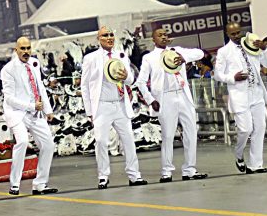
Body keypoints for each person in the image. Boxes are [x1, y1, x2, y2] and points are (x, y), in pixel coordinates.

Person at [81, 26, 148, 189]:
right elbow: (85, 86)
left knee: (129, 140)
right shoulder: (91, 58)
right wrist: (89, 111)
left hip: (120, 104)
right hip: (101, 106)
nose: (109, 38)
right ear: (99, 39)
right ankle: (103, 176)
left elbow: (131, 80)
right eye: (105, 35)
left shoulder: (121, 55)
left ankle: (135, 175)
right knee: (101, 141)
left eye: (111, 35)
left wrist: (127, 77)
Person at [135, 28, 207, 182]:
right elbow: (140, 82)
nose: (163, 37)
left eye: (165, 35)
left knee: (191, 132)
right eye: (159, 35)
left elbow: (200, 53)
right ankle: (166, 172)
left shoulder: (177, 51)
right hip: (164, 98)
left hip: (182, 94)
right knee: (168, 135)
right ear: (153, 40)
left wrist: (184, 58)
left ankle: (190, 170)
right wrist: (150, 99)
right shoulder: (149, 58)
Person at [0, 37, 58, 195]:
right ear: (16, 50)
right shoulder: (8, 69)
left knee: (48, 145)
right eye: (22, 49)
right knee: (23, 142)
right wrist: (31, 106)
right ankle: (14, 184)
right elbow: (10, 98)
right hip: (17, 113)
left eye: (28, 48)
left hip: (36, 112)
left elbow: (40, 87)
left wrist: (48, 109)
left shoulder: (34, 63)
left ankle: (40, 184)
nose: (26, 52)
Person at [214, 24, 267, 174]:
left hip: (256, 92)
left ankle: (256, 164)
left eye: (238, 32)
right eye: (232, 33)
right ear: (227, 34)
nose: (236, 36)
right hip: (240, 94)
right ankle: (239, 154)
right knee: (246, 129)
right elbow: (218, 74)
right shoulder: (224, 52)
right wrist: (232, 78)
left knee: (260, 128)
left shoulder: (251, 45)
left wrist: (264, 49)